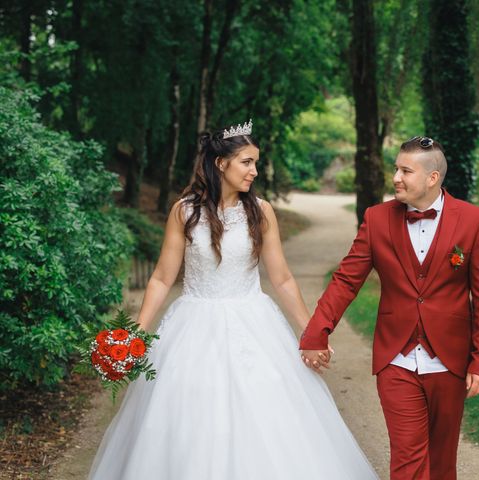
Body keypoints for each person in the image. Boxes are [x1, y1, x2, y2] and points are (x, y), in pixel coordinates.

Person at [89, 120, 378, 479]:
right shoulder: (184, 212)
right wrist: (137, 333)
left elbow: (283, 278)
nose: (254, 171)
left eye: (256, 163)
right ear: (221, 163)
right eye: (247, 162)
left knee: (266, 412)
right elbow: (163, 278)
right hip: (193, 327)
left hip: (253, 323)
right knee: (187, 413)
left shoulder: (261, 211)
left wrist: (312, 331)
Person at [300, 136, 479, 480]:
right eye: (396, 168)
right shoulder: (377, 219)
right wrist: (316, 330)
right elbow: (347, 279)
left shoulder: (472, 220)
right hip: (397, 359)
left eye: (406, 170)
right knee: (407, 462)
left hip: (449, 361)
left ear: (432, 178)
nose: (396, 177)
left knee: (441, 463)